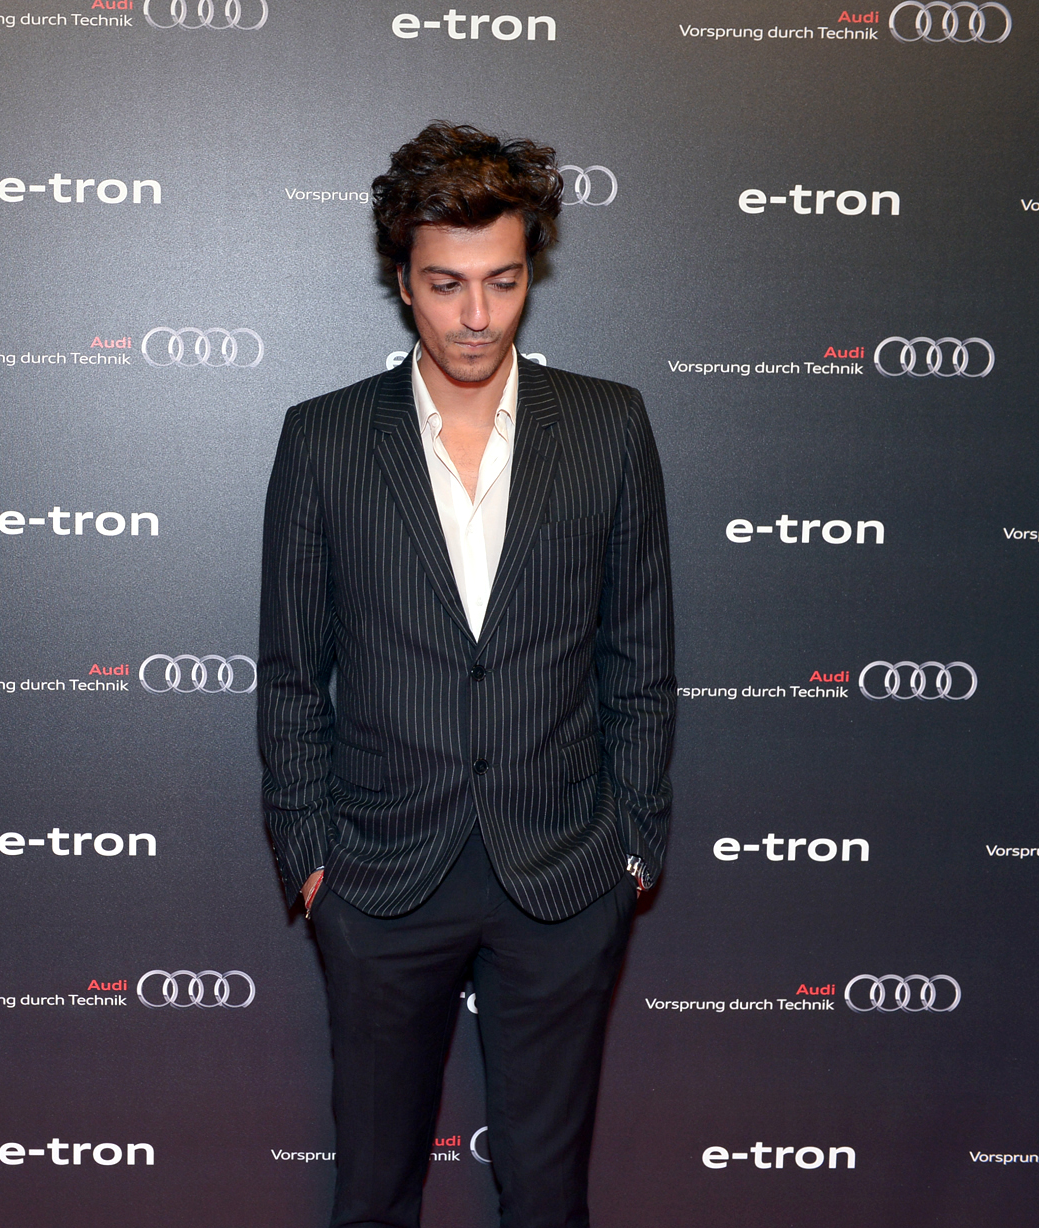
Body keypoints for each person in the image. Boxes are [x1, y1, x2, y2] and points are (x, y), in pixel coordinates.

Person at [257, 122, 676, 1228]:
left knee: (547, 1195)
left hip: (564, 868)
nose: (477, 316)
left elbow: (639, 655)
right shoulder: (323, 439)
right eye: (446, 285)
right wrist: (311, 858)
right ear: (403, 280)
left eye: (503, 280)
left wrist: (631, 841)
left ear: (531, 271)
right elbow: (292, 674)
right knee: (373, 1192)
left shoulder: (609, 426)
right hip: (379, 871)